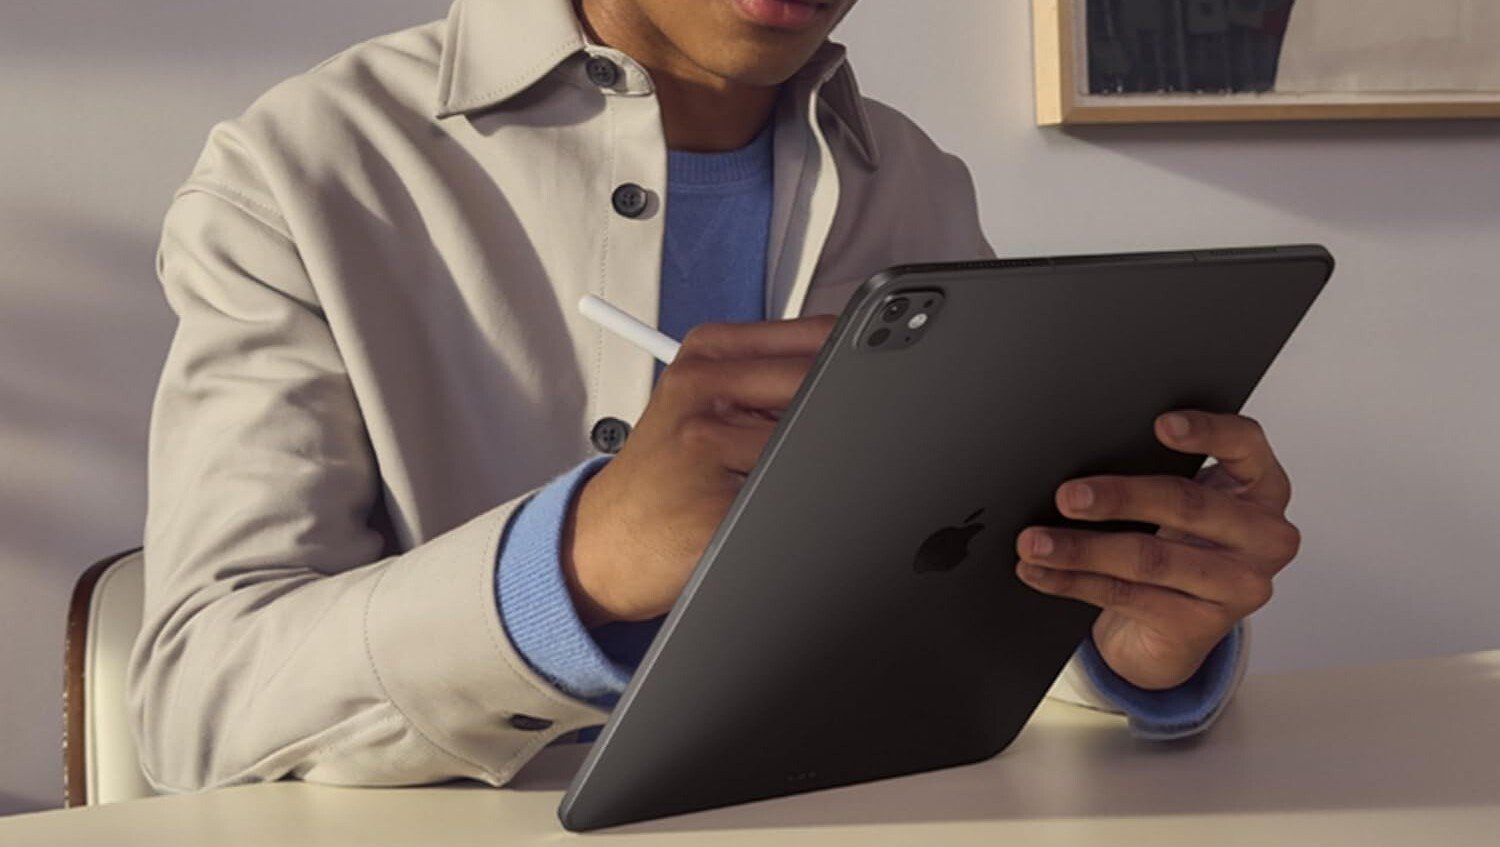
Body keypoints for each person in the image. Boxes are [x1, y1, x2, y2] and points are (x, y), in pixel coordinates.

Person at [128, 0, 1299, 792]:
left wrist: (1116, 637)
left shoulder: (914, 184)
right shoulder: (300, 171)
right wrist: (573, 567)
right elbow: (198, 710)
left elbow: (940, 640)